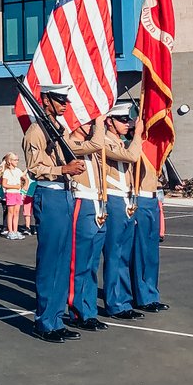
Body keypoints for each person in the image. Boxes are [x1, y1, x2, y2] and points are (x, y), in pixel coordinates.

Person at [22, 85, 103, 344]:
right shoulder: (36, 131)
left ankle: (57, 318)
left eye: (66, 99)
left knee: (63, 259)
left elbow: (76, 148)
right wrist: (63, 169)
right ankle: (44, 322)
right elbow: (35, 168)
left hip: (66, 194)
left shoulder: (58, 129)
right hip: (51, 193)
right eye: (59, 99)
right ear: (45, 100)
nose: (65, 104)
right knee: (50, 261)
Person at [98, 103, 147, 321]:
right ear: (109, 121)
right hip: (114, 200)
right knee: (115, 254)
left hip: (127, 199)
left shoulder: (120, 141)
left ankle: (124, 300)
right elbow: (131, 157)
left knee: (124, 256)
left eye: (128, 121)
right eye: (122, 120)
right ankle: (115, 303)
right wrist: (138, 135)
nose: (127, 124)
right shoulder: (104, 143)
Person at [64, 124, 110, 333]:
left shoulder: (94, 149)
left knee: (92, 263)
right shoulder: (71, 144)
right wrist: (101, 123)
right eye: (89, 121)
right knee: (79, 261)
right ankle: (78, 311)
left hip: (99, 203)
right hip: (82, 202)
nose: (93, 125)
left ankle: (89, 310)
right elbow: (93, 144)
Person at [132, 150, 171, 314]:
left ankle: (151, 294)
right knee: (140, 253)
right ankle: (142, 297)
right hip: (139, 197)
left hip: (153, 198)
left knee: (151, 254)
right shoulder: (133, 147)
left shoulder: (154, 149)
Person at [0, 153, 29, 240]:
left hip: (17, 194)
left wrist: (25, 186)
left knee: (16, 212)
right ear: (10, 161)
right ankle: (10, 231)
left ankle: (15, 231)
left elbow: (25, 179)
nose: (17, 161)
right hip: (10, 193)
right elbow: (4, 184)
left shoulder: (18, 170)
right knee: (10, 213)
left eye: (17, 160)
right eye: (15, 160)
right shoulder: (7, 172)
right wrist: (15, 186)